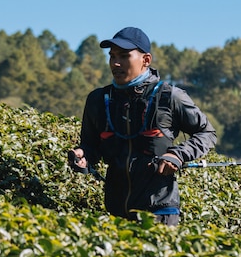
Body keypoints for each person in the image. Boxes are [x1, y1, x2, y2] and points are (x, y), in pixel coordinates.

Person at [68, 27, 217, 226]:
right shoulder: (98, 100)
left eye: (124, 56)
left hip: (160, 213)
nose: (116, 63)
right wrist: (83, 156)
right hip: (115, 213)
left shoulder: (170, 96)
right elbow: (90, 145)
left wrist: (179, 154)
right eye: (112, 56)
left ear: (146, 60)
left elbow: (207, 133)